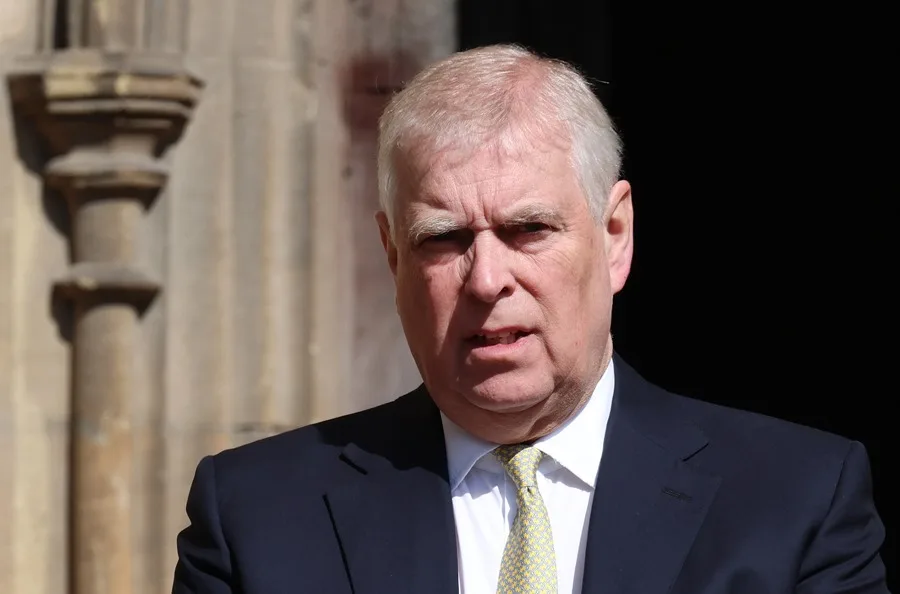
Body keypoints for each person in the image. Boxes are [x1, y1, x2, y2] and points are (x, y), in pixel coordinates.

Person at [171, 44, 889, 594]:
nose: (487, 279)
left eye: (528, 229)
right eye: (443, 238)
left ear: (614, 236)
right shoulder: (258, 517)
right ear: (393, 256)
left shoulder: (795, 500)